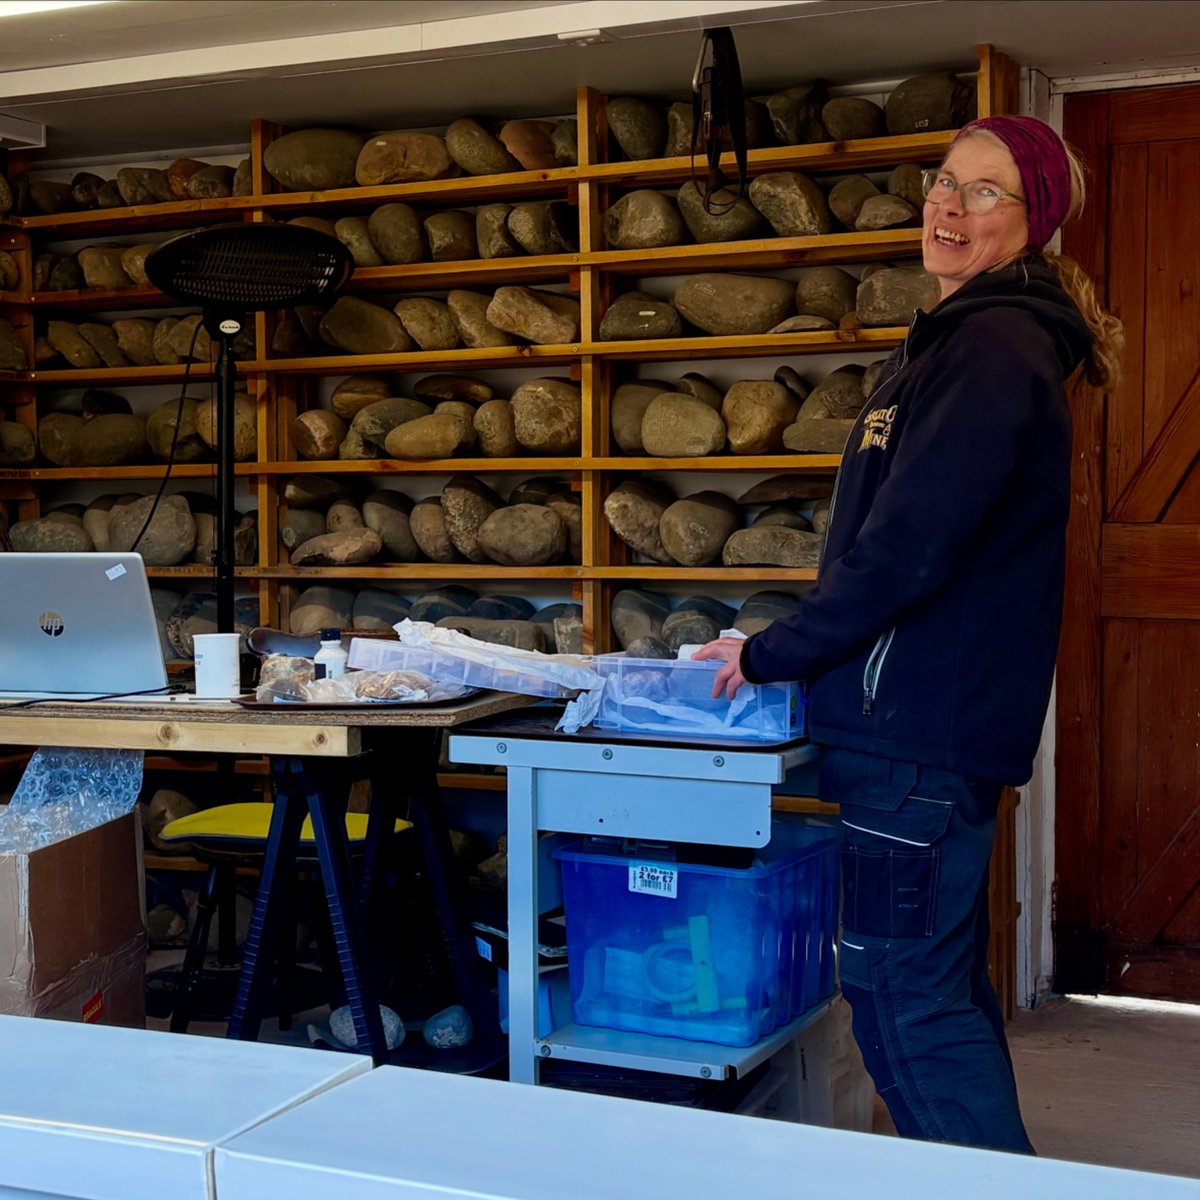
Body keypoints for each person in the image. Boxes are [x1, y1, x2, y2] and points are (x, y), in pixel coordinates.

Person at [696, 115, 1122, 1153]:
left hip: (916, 736)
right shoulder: (963, 339)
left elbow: (909, 546)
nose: (948, 204)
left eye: (984, 191)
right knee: (936, 990)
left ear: (1032, 222)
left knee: (902, 1000)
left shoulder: (992, 348)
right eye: (943, 179)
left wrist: (773, 652)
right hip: (922, 731)